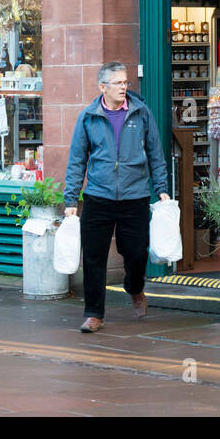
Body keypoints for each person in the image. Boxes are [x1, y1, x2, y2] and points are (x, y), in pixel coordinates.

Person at [64, 62, 171, 332]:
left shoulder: (141, 113)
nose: (124, 87)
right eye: (118, 83)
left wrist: (162, 189)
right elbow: (77, 160)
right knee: (93, 257)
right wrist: (71, 200)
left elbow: (156, 154)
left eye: (126, 82)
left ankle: (134, 288)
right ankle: (94, 314)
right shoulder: (88, 117)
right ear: (103, 87)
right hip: (98, 197)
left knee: (135, 253)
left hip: (134, 196)